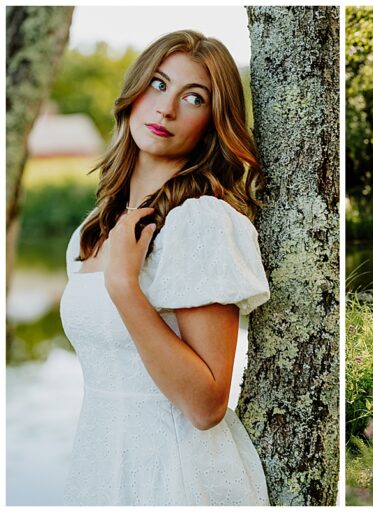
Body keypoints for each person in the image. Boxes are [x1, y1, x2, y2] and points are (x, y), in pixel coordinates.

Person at [59, 30, 270, 505]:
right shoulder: (90, 232)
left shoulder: (203, 222)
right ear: (133, 95)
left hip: (178, 473)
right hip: (99, 462)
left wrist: (125, 287)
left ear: (212, 122)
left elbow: (206, 405)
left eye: (192, 97)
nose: (166, 109)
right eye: (157, 85)